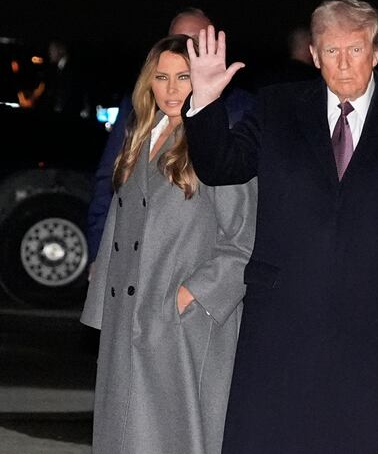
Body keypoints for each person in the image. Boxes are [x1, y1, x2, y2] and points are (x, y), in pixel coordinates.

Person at [182, 0, 378, 453]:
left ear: (375, 53)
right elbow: (220, 166)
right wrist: (207, 103)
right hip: (280, 324)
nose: (344, 64)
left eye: (355, 50)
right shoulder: (278, 108)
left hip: (371, 330)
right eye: (331, 51)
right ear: (314, 55)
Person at [80, 35, 256, 453]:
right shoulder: (141, 137)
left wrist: (190, 296)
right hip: (129, 317)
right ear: (148, 83)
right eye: (162, 77)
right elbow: (120, 228)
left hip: (185, 322)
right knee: (124, 434)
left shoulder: (217, 140)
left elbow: (244, 239)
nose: (172, 88)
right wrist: (103, 301)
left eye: (184, 76)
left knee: (174, 437)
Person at [85, 8, 255, 264]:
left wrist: (201, 292)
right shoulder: (139, 109)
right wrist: (100, 253)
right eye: (178, 41)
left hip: (191, 266)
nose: (185, 50)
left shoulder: (238, 111)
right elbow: (109, 183)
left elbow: (240, 226)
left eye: (197, 43)